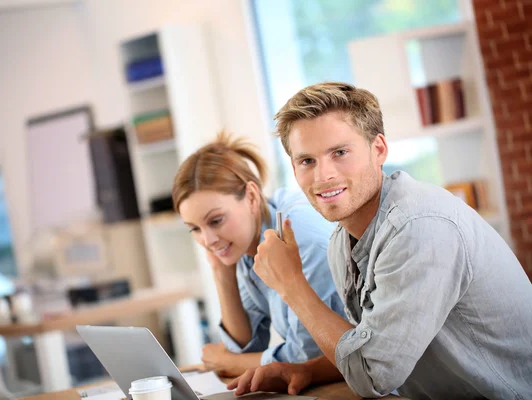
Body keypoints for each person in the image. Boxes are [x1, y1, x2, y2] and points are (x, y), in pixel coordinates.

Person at [228, 82, 532, 399]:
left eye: (340, 153)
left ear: (379, 149)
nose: (323, 175)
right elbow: (368, 345)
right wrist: (306, 370)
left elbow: (373, 376)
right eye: (307, 161)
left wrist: (291, 284)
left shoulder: (418, 228)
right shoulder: (340, 242)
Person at [172, 132, 346, 377]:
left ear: (252, 196)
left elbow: (311, 355)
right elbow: (244, 348)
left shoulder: (297, 233)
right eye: (195, 229)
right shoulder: (245, 246)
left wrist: (228, 363)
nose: (207, 240)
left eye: (216, 220)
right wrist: (221, 271)